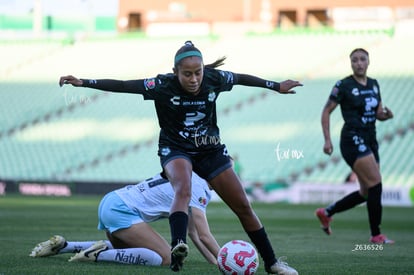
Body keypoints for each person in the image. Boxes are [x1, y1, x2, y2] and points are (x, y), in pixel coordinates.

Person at [59, 40, 302, 274]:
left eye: (198, 72)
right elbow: (123, 85)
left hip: (210, 149)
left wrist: (276, 86)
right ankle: (178, 246)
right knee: (183, 188)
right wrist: (83, 82)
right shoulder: (161, 85)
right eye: (187, 74)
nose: (194, 79)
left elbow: (241, 78)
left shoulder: (214, 78)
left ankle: (272, 263)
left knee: (243, 206)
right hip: (175, 148)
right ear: (175, 72)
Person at [30, 171, 220, 266]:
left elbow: (193, 234)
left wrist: (216, 263)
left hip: (112, 200)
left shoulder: (185, 173)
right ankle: (97, 254)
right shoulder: (199, 188)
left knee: (132, 250)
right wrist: (226, 261)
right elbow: (204, 235)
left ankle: (65, 246)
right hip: (122, 209)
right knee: (167, 258)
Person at [316, 48, 394, 244]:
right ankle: (376, 235)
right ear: (351, 63)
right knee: (376, 183)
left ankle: (327, 212)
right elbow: (326, 111)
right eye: (355, 60)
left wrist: (386, 116)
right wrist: (327, 140)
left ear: (368, 62)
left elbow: (377, 113)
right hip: (352, 139)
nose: (359, 63)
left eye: (362, 59)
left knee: (367, 192)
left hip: (370, 139)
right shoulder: (343, 85)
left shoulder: (374, 84)